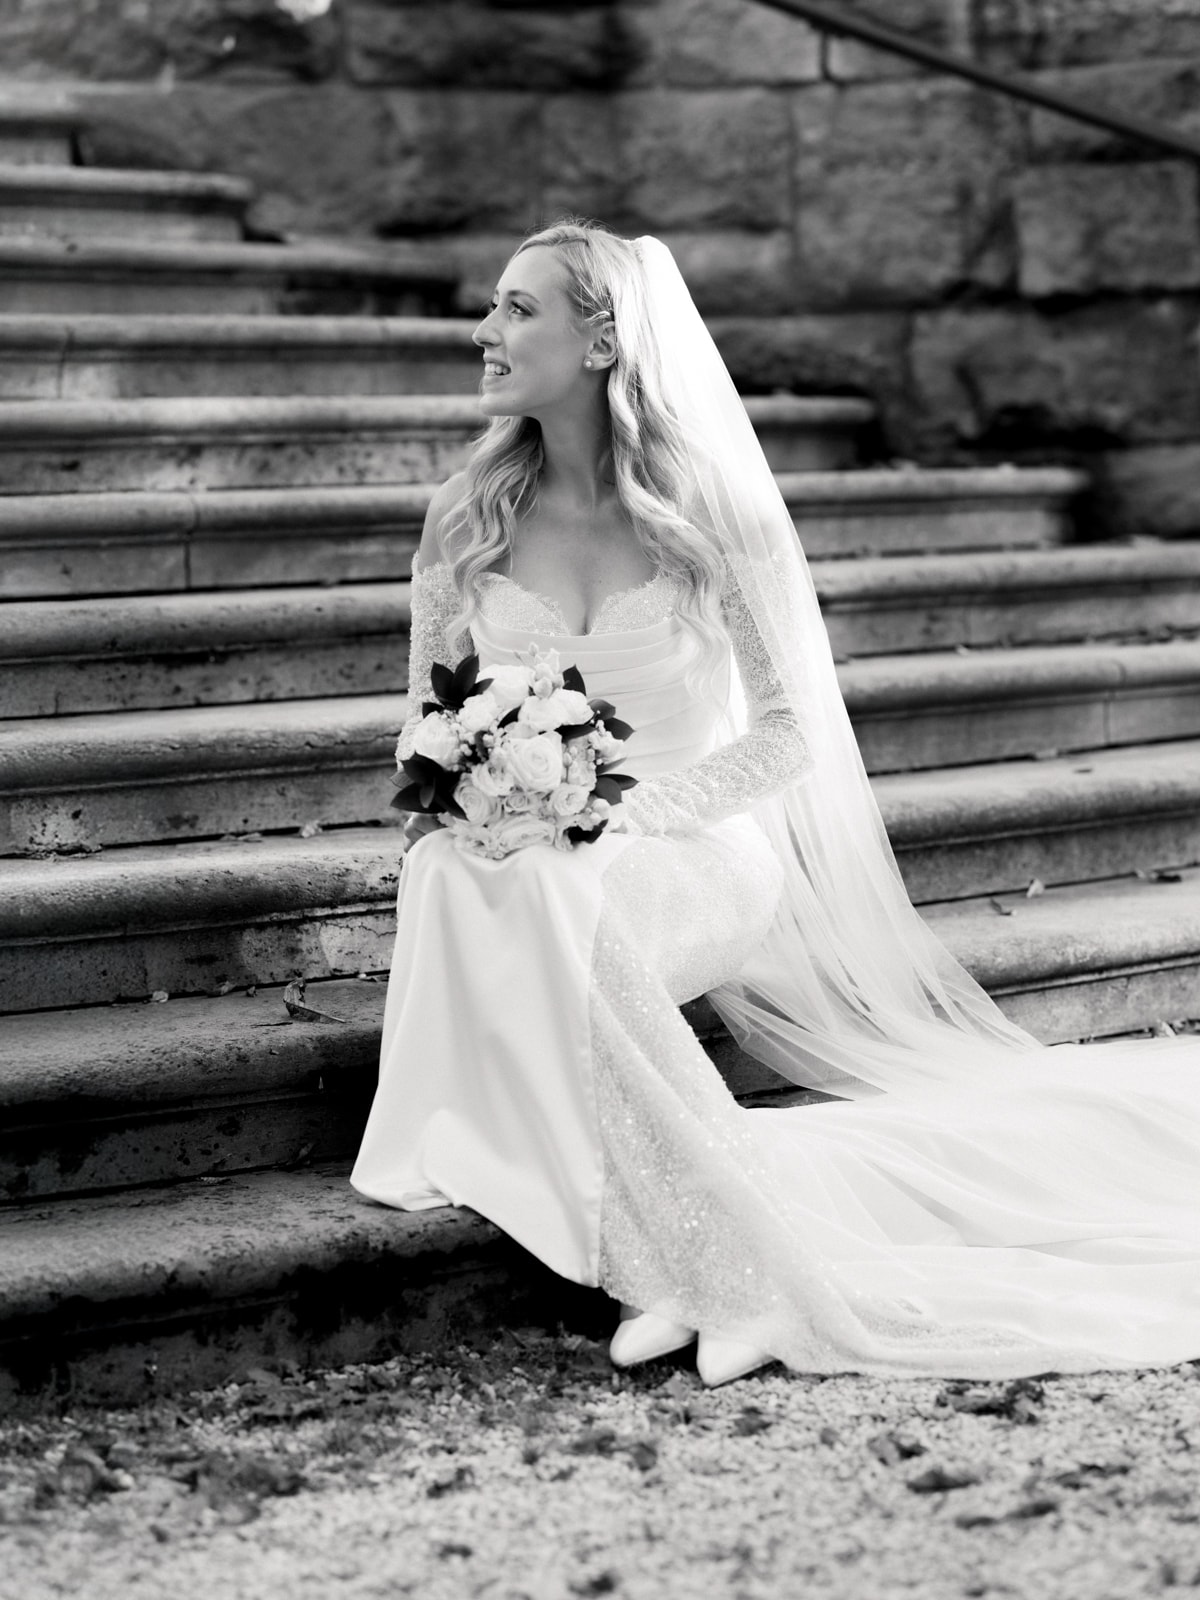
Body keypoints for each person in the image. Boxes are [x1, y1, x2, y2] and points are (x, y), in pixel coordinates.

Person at [352, 220, 1200, 1386]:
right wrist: (480, 794)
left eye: (517, 308)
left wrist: (628, 815)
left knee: (555, 893)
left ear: (602, 342)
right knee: (453, 869)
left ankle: (708, 1270)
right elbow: (426, 722)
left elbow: (791, 735)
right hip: (528, 853)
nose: (484, 332)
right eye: (494, 306)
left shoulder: (710, 513)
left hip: (698, 847)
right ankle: (704, 1262)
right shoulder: (466, 513)